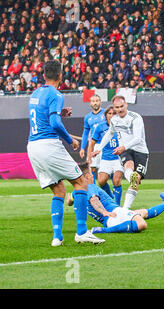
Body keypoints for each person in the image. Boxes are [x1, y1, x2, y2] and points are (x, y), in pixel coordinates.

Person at [26, 60, 104, 246]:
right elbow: (54, 124)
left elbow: (44, 116)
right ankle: (82, 232)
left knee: (59, 189)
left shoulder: (36, 93)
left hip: (33, 146)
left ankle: (57, 237)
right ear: (60, 76)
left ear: (44, 75)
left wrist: (58, 113)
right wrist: (71, 141)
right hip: (48, 145)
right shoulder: (57, 94)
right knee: (81, 182)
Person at [74, 162, 164, 234]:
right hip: (113, 214)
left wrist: (70, 201)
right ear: (87, 177)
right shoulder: (90, 187)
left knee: (142, 213)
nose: (93, 176)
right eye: (91, 175)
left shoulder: (77, 191)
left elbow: (72, 200)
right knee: (141, 224)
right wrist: (104, 212)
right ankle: (104, 230)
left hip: (111, 219)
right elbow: (94, 200)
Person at [92, 95, 149, 210]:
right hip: (125, 151)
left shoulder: (135, 118)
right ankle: (124, 210)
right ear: (114, 108)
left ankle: (125, 208)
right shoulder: (115, 120)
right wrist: (99, 148)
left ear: (126, 105)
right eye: (117, 107)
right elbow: (110, 133)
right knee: (128, 165)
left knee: (135, 182)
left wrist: (123, 146)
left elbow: (138, 138)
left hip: (140, 151)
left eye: (122, 106)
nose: (120, 109)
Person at [89, 105, 124, 205]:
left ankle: (117, 205)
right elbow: (92, 142)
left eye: (114, 113)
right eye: (109, 113)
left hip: (118, 158)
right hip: (105, 159)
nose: (112, 115)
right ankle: (111, 197)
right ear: (106, 116)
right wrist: (90, 156)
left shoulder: (122, 126)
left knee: (116, 180)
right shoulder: (100, 127)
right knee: (101, 181)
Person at [79, 94, 105, 182]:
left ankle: (109, 192)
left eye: (97, 101)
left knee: (105, 171)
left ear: (100, 102)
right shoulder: (87, 117)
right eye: (93, 101)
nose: (95, 103)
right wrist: (82, 148)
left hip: (105, 145)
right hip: (93, 145)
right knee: (91, 169)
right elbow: (85, 133)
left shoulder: (106, 113)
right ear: (90, 103)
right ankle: (93, 192)